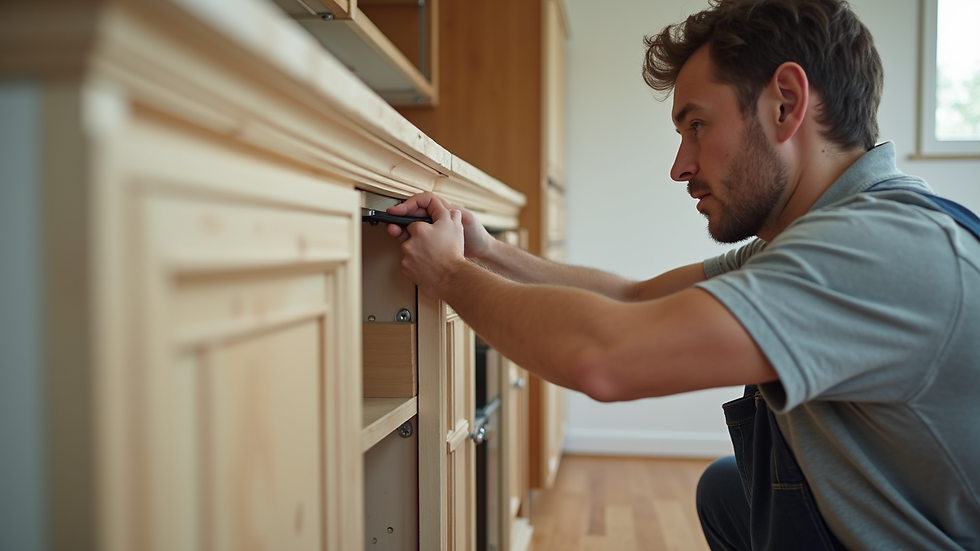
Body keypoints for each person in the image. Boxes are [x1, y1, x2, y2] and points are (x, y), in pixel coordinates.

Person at [385, 0, 980, 549]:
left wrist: (451, 278)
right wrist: (485, 251)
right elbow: (633, 297)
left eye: (697, 125)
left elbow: (605, 355)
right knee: (728, 493)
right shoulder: (821, 235)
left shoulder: (878, 250)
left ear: (786, 104)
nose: (680, 167)